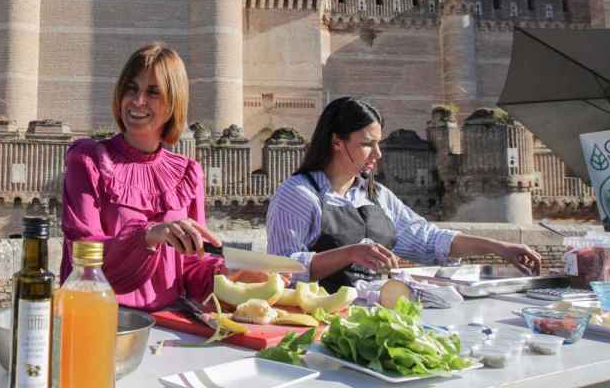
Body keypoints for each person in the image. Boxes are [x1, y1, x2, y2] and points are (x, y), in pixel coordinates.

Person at [60, 43, 262, 311]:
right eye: (131, 89)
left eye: (153, 92)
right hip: (98, 319)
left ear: (173, 103)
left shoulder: (188, 173)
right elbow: (82, 253)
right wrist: (148, 235)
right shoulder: (88, 160)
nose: (138, 101)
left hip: (167, 326)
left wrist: (233, 275)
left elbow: (189, 265)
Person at [267, 96, 541, 292]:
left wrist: (499, 248)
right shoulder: (299, 194)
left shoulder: (376, 195)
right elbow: (280, 268)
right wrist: (350, 253)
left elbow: (427, 239)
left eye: (379, 143)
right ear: (336, 141)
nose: (378, 154)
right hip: (317, 321)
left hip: (374, 317)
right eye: (366, 144)